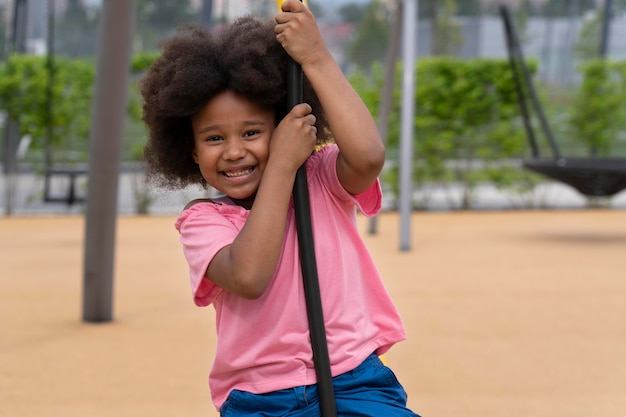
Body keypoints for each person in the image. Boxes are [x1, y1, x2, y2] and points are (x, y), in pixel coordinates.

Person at [141, 1, 420, 415]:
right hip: (261, 398)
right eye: (214, 139)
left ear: (287, 127)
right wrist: (282, 164)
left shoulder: (320, 179)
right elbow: (249, 275)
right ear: (192, 152)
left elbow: (367, 157)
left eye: (252, 132)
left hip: (353, 378)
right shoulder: (204, 222)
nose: (235, 151)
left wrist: (316, 58)